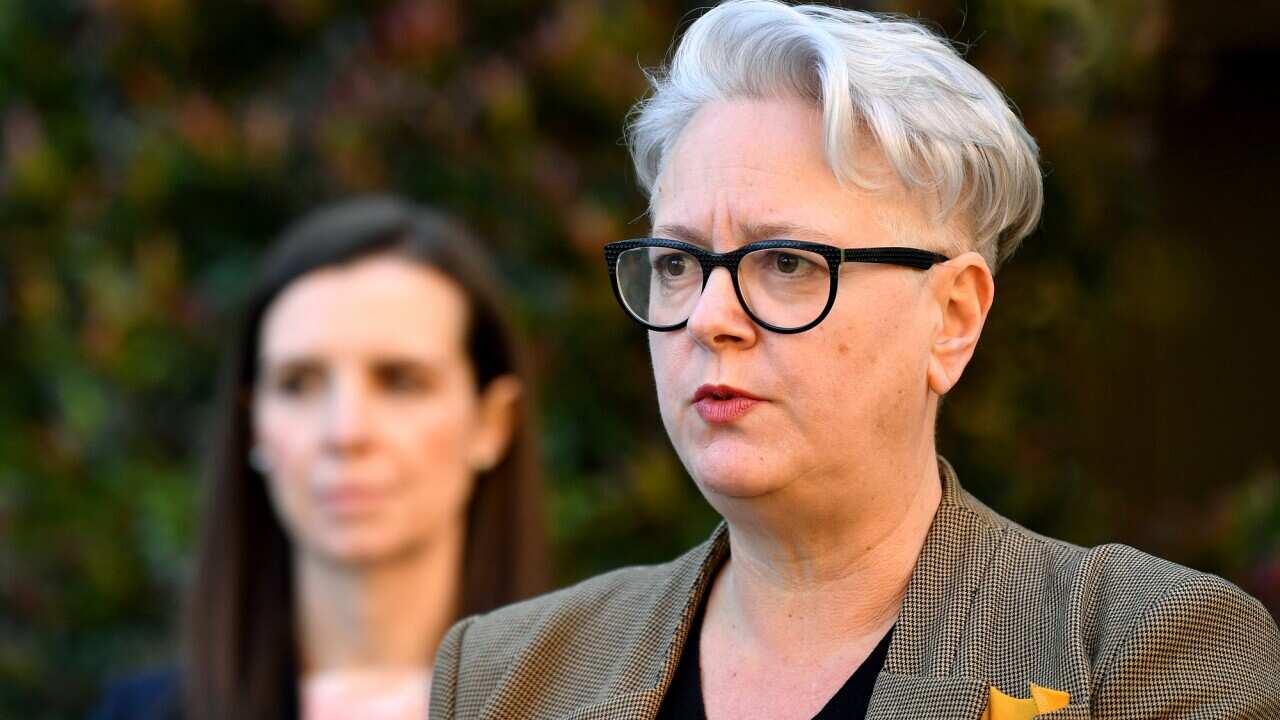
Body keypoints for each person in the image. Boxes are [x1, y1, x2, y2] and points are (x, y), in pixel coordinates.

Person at [428, 2, 1280, 719]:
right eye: (679, 263)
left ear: (952, 319)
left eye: (788, 263)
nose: (710, 319)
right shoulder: (508, 676)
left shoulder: (1139, 654)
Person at [94, 196, 548, 720]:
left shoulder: (601, 703)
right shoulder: (143, 713)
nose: (345, 430)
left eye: (400, 381)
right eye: (298, 384)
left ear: (491, 423)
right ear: (253, 425)